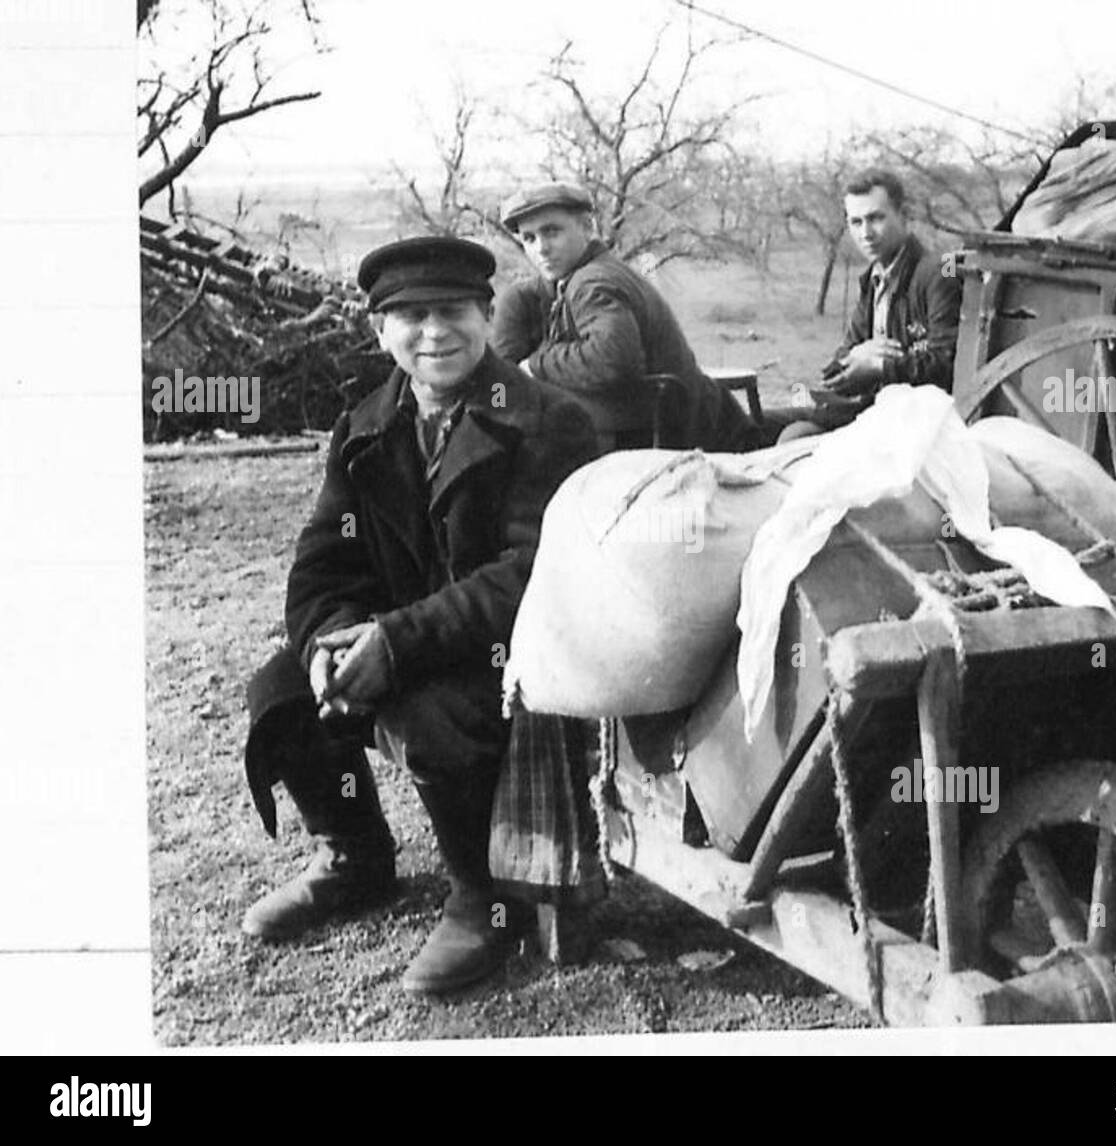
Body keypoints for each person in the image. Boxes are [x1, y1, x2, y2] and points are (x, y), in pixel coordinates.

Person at [239, 236, 598, 996]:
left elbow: (530, 572)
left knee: (433, 719)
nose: (434, 333)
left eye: (452, 312)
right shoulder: (364, 426)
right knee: (280, 688)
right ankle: (356, 857)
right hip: (404, 645)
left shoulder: (547, 420)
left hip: (512, 660)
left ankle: (485, 895)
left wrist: (397, 643)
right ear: (379, 331)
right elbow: (323, 563)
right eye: (410, 316)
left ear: (488, 316)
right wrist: (327, 647)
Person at [492, 181, 759, 453]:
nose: (541, 248)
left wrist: (534, 367)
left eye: (552, 232)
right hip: (676, 424)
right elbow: (497, 384)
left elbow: (613, 357)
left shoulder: (593, 281)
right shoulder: (528, 297)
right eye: (529, 239)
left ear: (587, 227)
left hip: (677, 436)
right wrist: (498, 412)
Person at [775, 168, 963, 439]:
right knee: (786, 431)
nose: (866, 233)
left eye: (876, 218)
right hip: (872, 411)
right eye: (856, 222)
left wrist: (879, 367)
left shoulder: (936, 273)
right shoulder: (874, 280)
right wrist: (858, 357)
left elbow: (946, 365)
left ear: (904, 215)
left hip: (917, 421)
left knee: (796, 439)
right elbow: (837, 365)